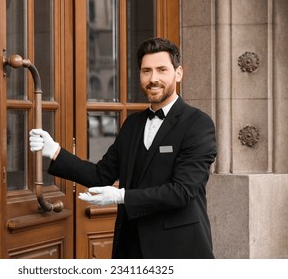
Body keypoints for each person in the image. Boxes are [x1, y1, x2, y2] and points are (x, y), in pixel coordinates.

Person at [29, 37, 217, 259]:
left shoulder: (198, 123)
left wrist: (122, 196)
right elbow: (101, 175)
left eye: (161, 70)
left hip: (179, 248)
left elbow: (182, 192)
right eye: (146, 71)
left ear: (178, 73)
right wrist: (56, 151)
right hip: (129, 247)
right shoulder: (132, 124)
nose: (153, 78)